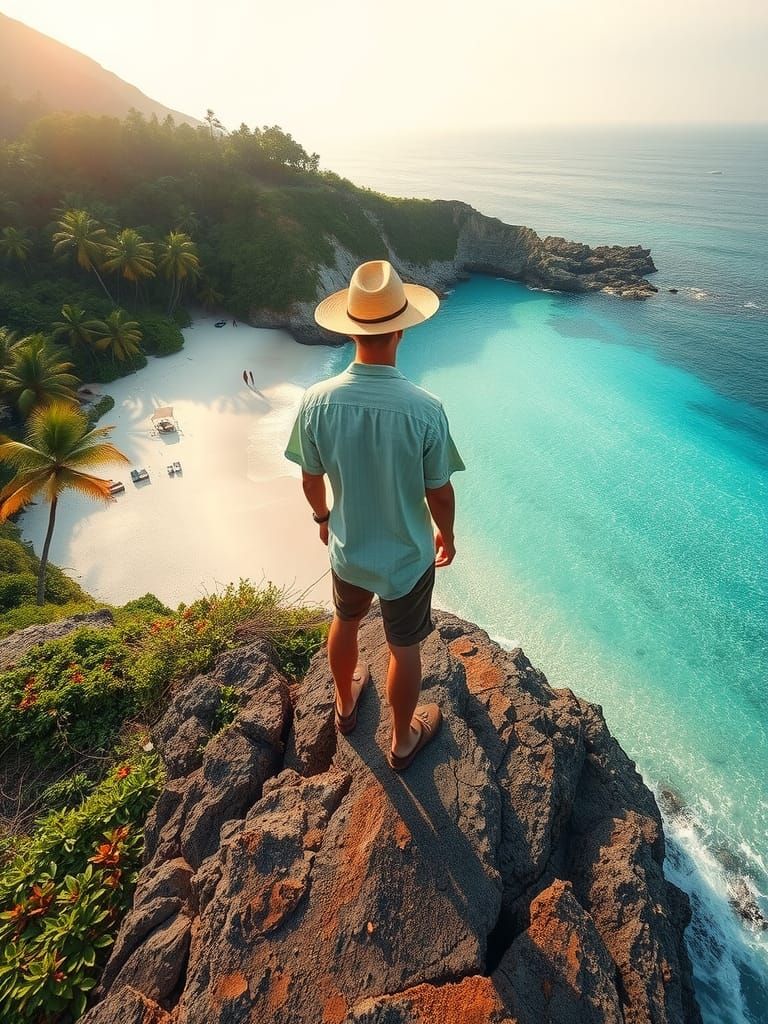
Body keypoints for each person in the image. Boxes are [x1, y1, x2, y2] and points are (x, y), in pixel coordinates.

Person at [285, 260, 464, 771]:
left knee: (345, 620)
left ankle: (344, 703)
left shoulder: (316, 402)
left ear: (351, 327)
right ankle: (402, 740)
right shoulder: (425, 408)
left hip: (349, 546)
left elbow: (309, 477)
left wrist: (323, 518)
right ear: (401, 328)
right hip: (407, 556)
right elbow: (440, 490)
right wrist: (446, 535)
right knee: (404, 646)